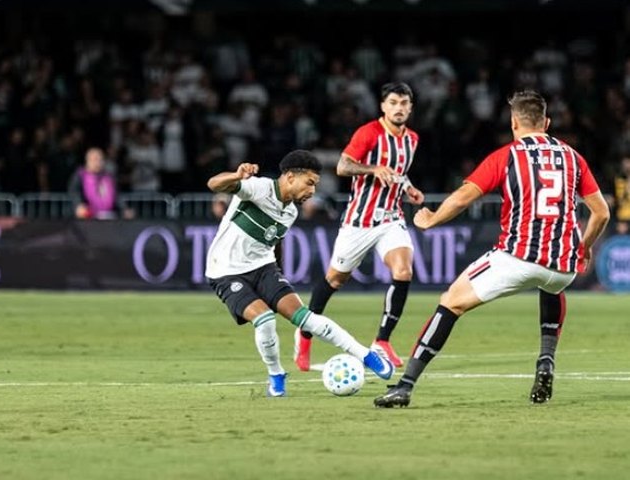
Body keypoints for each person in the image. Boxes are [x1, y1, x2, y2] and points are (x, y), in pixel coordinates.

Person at [374, 90, 610, 408]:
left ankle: (404, 386)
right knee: (551, 285)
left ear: (514, 123)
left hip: (517, 257)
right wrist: (583, 247)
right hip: (563, 266)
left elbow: (462, 197)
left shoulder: (507, 155)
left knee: (450, 303)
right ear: (547, 123)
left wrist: (431, 219)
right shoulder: (573, 157)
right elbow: (602, 212)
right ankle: (546, 361)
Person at [205, 150, 394, 397]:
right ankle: (276, 374)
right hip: (226, 271)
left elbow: (274, 243)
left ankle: (365, 355)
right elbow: (213, 184)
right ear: (291, 177)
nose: (312, 191)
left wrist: (278, 275)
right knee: (265, 320)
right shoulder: (258, 188)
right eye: (310, 183)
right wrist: (236, 175)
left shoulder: (291, 212)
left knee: (305, 317)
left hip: (263, 267)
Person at [294, 82, 425, 371]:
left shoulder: (412, 139)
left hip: (391, 218)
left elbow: (399, 174)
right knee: (335, 280)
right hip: (359, 221)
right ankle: (304, 334)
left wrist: (409, 189)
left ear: (410, 107)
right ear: (383, 106)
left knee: (403, 270)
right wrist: (372, 169)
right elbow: (342, 166)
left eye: (404, 103)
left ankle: (383, 341)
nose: (399, 108)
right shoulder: (369, 133)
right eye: (393, 103)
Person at [68, 146, 134, 220]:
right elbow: (74, 192)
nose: (98, 162)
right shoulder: (80, 175)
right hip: (88, 217)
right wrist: (78, 205)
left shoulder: (109, 176)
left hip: (109, 217)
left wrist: (124, 209)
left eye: (100, 159)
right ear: (88, 160)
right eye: (95, 159)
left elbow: (117, 195)